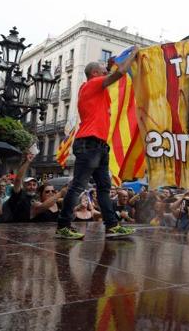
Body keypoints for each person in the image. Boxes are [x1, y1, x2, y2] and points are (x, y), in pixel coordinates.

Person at [56, 47, 138, 239]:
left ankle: (111, 226)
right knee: (78, 186)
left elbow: (112, 73)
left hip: (98, 145)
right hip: (90, 143)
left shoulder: (95, 91)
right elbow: (119, 73)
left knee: (104, 188)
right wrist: (132, 56)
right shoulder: (92, 84)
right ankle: (63, 226)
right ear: (94, 74)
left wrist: (111, 66)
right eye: (102, 71)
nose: (105, 73)